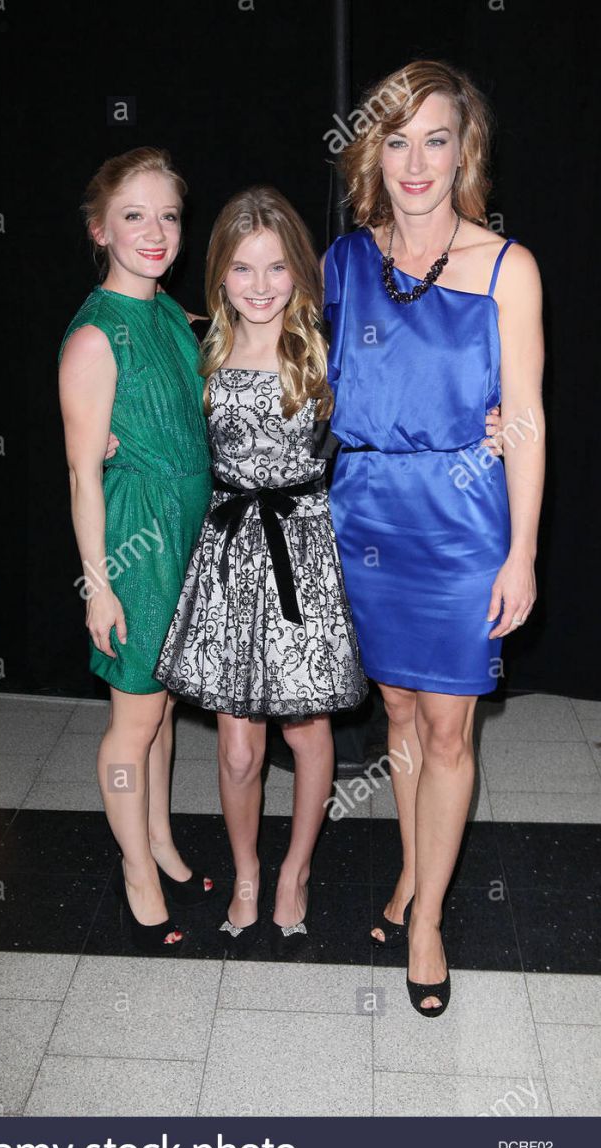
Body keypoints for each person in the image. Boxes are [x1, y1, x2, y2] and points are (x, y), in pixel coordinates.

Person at [324, 60, 545, 1014]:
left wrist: (521, 552)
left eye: (436, 140)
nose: (415, 163)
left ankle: (427, 922)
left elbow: (526, 417)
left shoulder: (506, 267)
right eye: (396, 140)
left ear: (465, 152)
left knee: (448, 725)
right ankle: (415, 871)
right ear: (373, 152)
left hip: (461, 521)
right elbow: (285, 365)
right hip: (364, 513)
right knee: (400, 714)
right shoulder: (343, 263)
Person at [154, 186, 368, 951]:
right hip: (227, 554)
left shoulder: (326, 353)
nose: (260, 284)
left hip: (301, 555)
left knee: (307, 733)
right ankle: (246, 871)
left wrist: (488, 424)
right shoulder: (199, 351)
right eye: (243, 268)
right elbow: (150, 418)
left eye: (276, 267)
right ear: (220, 273)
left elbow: (397, 415)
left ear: (299, 271)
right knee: (239, 747)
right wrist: (114, 443)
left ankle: (295, 872)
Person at [58, 148, 216, 953]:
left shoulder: (173, 317)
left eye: (168, 216)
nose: (155, 232)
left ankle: (159, 839)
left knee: (164, 707)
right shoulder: (95, 337)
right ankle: (135, 872)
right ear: (100, 230)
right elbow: (82, 475)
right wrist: (100, 585)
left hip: (187, 529)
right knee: (134, 718)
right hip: (137, 540)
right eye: (133, 216)